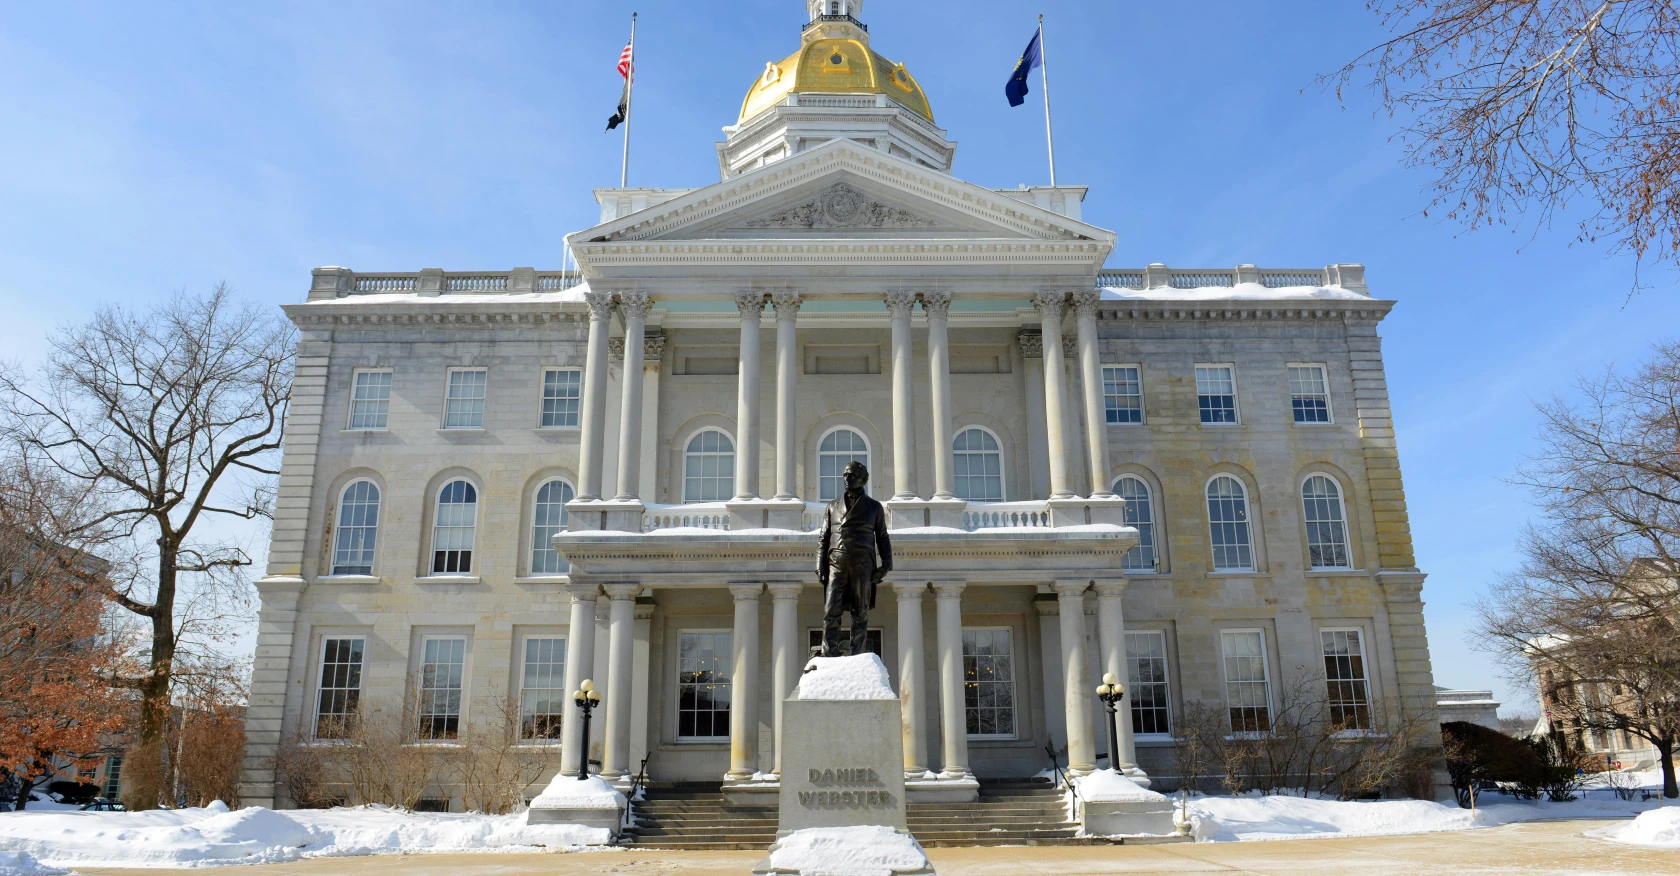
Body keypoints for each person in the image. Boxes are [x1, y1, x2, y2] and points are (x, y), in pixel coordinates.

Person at [816, 460, 893, 657]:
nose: (847, 479)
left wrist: (886, 565)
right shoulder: (832, 506)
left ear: (864, 479)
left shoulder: (874, 507)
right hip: (836, 563)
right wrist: (820, 566)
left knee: (861, 612)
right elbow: (823, 538)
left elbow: (882, 537)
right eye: (845, 475)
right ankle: (828, 653)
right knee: (831, 611)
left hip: (862, 565)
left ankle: (857, 654)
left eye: (852, 475)